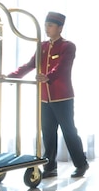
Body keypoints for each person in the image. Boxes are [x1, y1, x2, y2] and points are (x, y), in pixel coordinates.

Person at [6, 12, 89, 178]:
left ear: (60, 28)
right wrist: (10, 76)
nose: (47, 28)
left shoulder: (68, 46)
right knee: (48, 133)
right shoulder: (42, 46)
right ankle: (50, 167)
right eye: (45, 25)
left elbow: (62, 67)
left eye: (50, 25)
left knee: (69, 132)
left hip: (62, 97)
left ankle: (81, 164)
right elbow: (30, 65)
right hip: (44, 98)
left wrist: (48, 76)